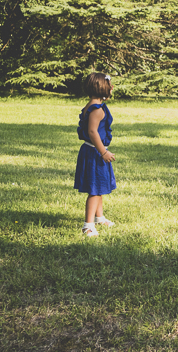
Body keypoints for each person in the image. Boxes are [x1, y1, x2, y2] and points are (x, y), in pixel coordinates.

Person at [74, 72, 117, 237]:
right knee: (95, 189)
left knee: (99, 187)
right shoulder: (97, 110)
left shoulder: (91, 105)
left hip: (93, 150)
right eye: (109, 85)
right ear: (102, 89)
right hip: (95, 152)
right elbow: (92, 132)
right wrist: (103, 151)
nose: (112, 87)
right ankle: (88, 225)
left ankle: (99, 217)